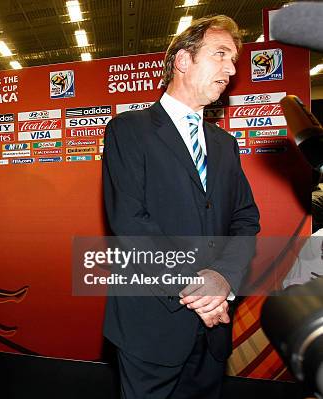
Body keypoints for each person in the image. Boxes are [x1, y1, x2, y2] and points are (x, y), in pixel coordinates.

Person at [102, 15, 260, 399]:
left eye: (234, 60)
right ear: (183, 61)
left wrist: (223, 279)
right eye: (220, 54)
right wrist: (199, 291)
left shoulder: (225, 145)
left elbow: (245, 219)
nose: (231, 68)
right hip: (152, 326)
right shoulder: (130, 130)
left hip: (213, 332)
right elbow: (131, 223)